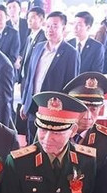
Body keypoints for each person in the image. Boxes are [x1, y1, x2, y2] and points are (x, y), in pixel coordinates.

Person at [20, 11, 79, 141]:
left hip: (53, 109)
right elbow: (29, 77)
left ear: (63, 28)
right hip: (33, 105)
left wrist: (65, 114)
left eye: (54, 26)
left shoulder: (71, 53)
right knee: (31, 142)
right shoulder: (38, 47)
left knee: (47, 143)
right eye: (47, 26)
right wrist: (24, 102)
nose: (50, 29)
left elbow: (71, 87)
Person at [64, 72, 107, 168]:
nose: (87, 116)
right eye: (82, 109)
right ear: (71, 108)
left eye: (94, 109)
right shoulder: (56, 131)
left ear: (101, 109)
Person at [0, 5, 20, 71]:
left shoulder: (13, 34)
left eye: (1, 16)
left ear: (7, 17)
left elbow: (13, 57)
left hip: (5, 70)